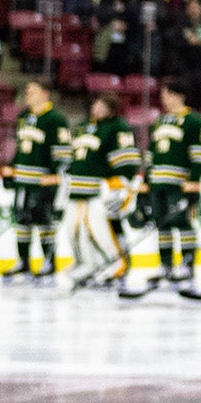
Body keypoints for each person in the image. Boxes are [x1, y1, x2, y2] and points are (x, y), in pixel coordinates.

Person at [131, 83, 201, 295]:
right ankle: (165, 265)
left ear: (179, 95)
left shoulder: (194, 122)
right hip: (157, 182)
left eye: (168, 94)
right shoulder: (160, 121)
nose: (165, 98)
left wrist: (194, 180)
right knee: (161, 224)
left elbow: (199, 154)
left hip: (179, 182)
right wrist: (146, 180)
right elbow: (151, 154)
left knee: (182, 223)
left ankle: (187, 265)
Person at [63, 94, 140, 292]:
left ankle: (118, 265)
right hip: (79, 189)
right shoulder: (82, 127)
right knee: (76, 230)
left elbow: (127, 164)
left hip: (103, 190)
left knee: (103, 230)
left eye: (102, 105)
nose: (96, 108)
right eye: (95, 103)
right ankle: (89, 264)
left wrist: (120, 186)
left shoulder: (118, 128)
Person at [3, 78, 69, 281]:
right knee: (21, 220)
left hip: (43, 180)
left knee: (44, 221)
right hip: (23, 178)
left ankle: (49, 260)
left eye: (33, 90)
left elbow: (64, 153)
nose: (28, 94)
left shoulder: (55, 119)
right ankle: (23, 260)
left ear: (45, 93)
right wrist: (11, 166)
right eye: (27, 90)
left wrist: (55, 174)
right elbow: (20, 146)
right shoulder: (23, 116)